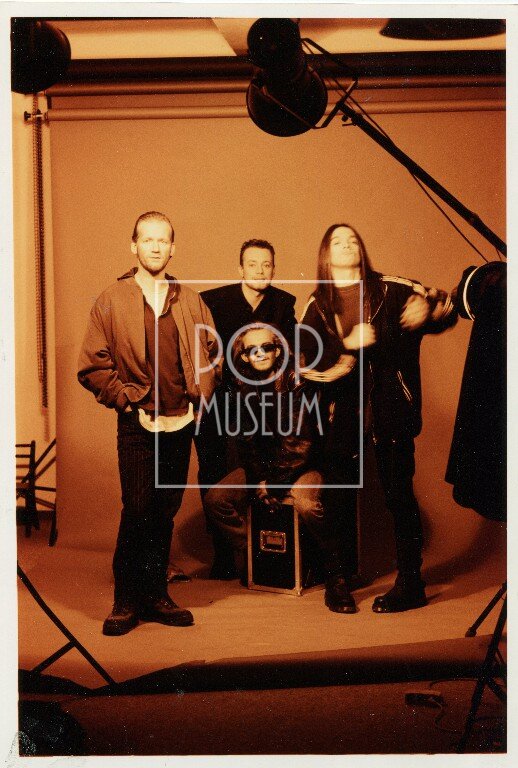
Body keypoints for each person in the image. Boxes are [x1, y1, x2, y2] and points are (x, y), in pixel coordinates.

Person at [299, 223, 456, 613]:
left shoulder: (392, 288)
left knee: (399, 497)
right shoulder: (316, 304)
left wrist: (430, 310)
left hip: (391, 411)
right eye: (337, 241)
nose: (347, 244)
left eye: (353, 239)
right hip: (341, 417)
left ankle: (411, 584)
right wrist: (344, 345)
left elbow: (445, 305)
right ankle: (336, 583)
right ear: (325, 254)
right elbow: (304, 365)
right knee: (337, 500)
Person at [78, 211, 221, 635]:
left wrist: (201, 395)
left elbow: (212, 354)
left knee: (164, 512)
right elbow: (93, 363)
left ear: (172, 248)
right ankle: (126, 600)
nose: (156, 247)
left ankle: (156, 595)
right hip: (138, 421)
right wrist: (124, 399)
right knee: (138, 509)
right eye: (148, 239)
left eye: (163, 240)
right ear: (134, 246)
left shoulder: (190, 299)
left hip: (181, 421)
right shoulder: (111, 299)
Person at [204, 323, 358, 613]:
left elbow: (301, 445)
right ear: (244, 356)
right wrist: (258, 480)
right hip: (266, 469)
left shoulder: (297, 381)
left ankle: (335, 576)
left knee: (306, 504)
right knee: (216, 499)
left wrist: (273, 485)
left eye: (267, 347)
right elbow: (246, 444)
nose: (261, 353)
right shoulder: (241, 388)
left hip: (304, 466)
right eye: (252, 350)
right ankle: (260, 556)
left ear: (277, 350)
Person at [194, 239, 297, 579]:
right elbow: (200, 349)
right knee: (212, 468)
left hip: (263, 402)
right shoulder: (213, 301)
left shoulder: (284, 303)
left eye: (266, 264)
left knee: (261, 462)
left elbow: (293, 353)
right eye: (252, 264)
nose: (260, 271)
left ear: (274, 269)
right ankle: (224, 553)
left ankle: (271, 551)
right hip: (221, 398)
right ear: (240, 268)